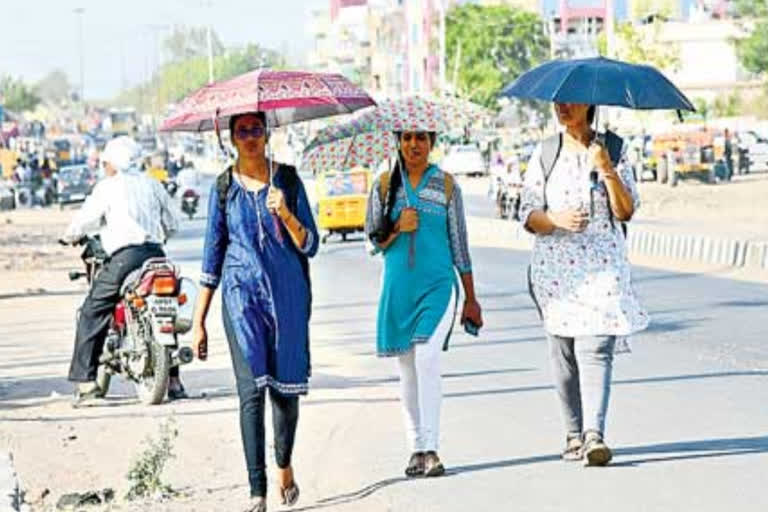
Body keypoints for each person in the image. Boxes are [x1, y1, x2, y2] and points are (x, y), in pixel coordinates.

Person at [192, 112, 318, 512]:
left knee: (285, 393)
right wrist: (198, 322)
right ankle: (256, 491)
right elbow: (212, 257)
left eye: (256, 129)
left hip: (287, 300)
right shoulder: (223, 187)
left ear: (268, 134)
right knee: (251, 393)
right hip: (240, 298)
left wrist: (284, 212)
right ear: (231, 138)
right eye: (242, 131)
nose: (249, 137)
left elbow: (310, 244)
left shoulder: (289, 180)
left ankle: (283, 464)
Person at [519, 103, 650, 466]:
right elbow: (527, 214)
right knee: (564, 358)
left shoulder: (615, 150)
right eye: (557, 101)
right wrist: (555, 219)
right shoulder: (546, 153)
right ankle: (574, 433)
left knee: (595, 350)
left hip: (604, 271)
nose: (561, 107)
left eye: (571, 99)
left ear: (589, 105)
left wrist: (606, 168)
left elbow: (626, 210)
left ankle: (595, 434)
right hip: (556, 275)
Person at [365, 130, 483, 478]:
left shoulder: (447, 186)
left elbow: (460, 245)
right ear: (398, 142)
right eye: (407, 138)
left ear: (432, 142)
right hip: (398, 290)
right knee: (407, 368)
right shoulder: (385, 185)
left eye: (421, 138)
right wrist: (397, 227)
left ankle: (431, 447)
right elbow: (373, 242)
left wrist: (471, 298)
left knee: (427, 358)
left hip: (438, 288)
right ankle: (415, 447)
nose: (414, 145)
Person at [61, 136, 184, 404]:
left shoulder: (108, 187)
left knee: (92, 311)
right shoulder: (153, 184)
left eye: (106, 162)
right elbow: (174, 223)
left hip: (125, 258)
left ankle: (86, 383)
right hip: (156, 255)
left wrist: (70, 236)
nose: (104, 167)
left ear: (113, 163)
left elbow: (83, 222)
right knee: (165, 308)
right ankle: (173, 380)